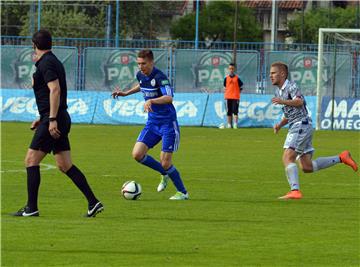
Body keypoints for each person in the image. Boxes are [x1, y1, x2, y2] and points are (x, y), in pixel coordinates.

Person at [13, 29, 103, 217]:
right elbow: (51, 94)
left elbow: (55, 90)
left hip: (55, 119)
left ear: (34, 45)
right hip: (56, 117)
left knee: (31, 160)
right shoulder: (52, 61)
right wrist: (44, 116)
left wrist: (51, 119)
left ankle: (31, 208)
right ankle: (93, 202)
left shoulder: (46, 63)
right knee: (64, 165)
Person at [270, 61, 358, 200]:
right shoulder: (279, 91)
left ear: (282, 74)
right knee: (307, 167)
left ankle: (295, 191)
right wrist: (280, 125)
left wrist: (283, 101)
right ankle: (342, 157)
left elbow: (299, 101)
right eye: (270, 73)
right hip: (299, 125)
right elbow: (290, 112)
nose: (271, 76)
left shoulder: (291, 86)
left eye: (273, 73)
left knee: (288, 157)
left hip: (301, 125)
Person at [111, 49, 189, 200]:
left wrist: (152, 100)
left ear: (151, 62)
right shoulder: (140, 75)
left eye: (143, 63)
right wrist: (126, 93)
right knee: (137, 154)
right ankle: (164, 173)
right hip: (152, 123)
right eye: (139, 63)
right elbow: (141, 85)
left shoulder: (160, 77)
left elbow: (169, 97)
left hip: (167, 123)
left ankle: (183, 192)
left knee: (166, 162)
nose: (140, 67)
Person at [223, 63, 243, 129]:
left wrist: (237, 92)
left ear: (234, 69)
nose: (231, 70)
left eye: (232, 68)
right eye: (230, 68)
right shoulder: (226, 78)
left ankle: (235, 124)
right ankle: (229, 124)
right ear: (228, 69)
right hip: (228, 97)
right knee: (229, 111)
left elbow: (241, 86)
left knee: (235, 111)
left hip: (235, 97)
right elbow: (225, 87)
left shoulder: (237, 78)